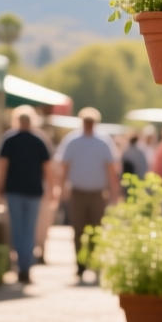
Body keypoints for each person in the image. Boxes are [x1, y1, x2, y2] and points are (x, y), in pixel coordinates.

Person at [55, 106, 121, 283]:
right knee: (77, 229)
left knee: (96, 229)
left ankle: (94, 261)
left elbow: (111, 169)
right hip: (78, 191)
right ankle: (80, 264)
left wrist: (114, 193)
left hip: (97, 192)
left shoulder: (103, 141)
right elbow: (65, 166)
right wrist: (61, 189)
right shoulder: (73, 140)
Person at [0, 106, 54, 283]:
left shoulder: (10, 139)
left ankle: (22, 266)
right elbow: (48, 169)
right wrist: (52, 190)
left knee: (17, 229)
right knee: (29, 230)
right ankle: (25, 267)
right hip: (32, 191)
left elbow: (1, 167)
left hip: (15, 190)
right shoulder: (39, 140)